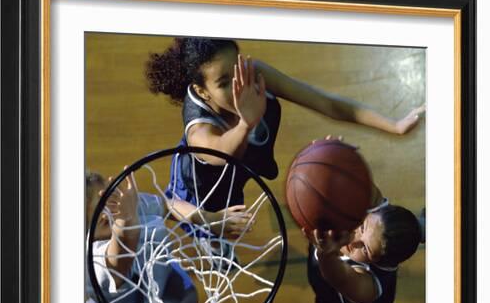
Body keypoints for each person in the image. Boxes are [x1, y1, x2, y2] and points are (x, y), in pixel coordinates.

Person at [145, 38, 425, 213]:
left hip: (247, 161)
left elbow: (326, 103)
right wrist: (246, 122)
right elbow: (222, 150)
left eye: (238, 68)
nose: (239, 85)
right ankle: (213, 247)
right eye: (223, 82)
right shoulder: (199, 132)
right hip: (205, 189)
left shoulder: (254, 74)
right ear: (202, 92)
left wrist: (395, 125)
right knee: (215, 228)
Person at [84, 171, 253, 303]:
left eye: (110, 201)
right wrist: (125, 220)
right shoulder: (94, 260)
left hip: (161, 273)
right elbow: (120, 256)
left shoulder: (122, 209)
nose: (110, 213)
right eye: (102, 220)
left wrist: (210, 219)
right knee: (103, 296)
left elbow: (166, 205)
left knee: (186, 296)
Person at [306, 202, 422, 303]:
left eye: (366, 250)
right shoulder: (373, 218)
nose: (354, 241)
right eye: (362, 227)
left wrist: (326, 252)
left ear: (380, 263)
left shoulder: (367, 288)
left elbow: (341, 278)